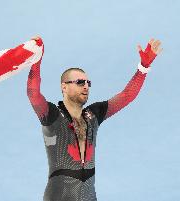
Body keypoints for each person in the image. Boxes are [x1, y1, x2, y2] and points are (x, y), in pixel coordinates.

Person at [27, 37, 162, 201]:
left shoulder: (93, 115)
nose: (86, 86)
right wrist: (36, 61)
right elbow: (33, 94)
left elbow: (127, 95)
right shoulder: (52, 115)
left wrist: (143, 68)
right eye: (79, 82)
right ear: (64, 86)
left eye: (88, 82)